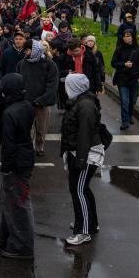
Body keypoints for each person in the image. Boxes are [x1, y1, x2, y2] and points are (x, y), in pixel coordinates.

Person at [0, 73, 36, 260]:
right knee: (9, 200)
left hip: (17, 163)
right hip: (25, 158)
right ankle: (6, 236)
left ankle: (22, 246)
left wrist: (6, 166)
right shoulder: (26, 105)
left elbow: (8, 145)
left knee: (17, 203)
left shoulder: (10, 113)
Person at [61, 74, 103, 245]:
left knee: (78, 190)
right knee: (82, 189)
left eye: (67, 85)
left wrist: (80, 160)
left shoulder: (85, 105)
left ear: (75, 87)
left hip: (85, 155)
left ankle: (84, 231)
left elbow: (84, 135)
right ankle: (90, 223)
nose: (64, 88)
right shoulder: (80, 101)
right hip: (81, 153)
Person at [17, 40, 59, 156]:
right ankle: (28, 148)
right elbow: (18, 81)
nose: (26, 53)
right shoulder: (22, 64)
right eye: (25, 50)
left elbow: (52, 85)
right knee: (27, 129)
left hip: (42, 103)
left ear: (35, 49)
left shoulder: (49, 64)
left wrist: (42, 99)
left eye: (28, 50)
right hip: (26, 102)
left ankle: (39, 146)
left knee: (41, 128)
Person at [111, 29, 139, 130]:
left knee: (132, 101)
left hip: (135, 79)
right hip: (122, 79)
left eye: (128, 36)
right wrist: (124, 64)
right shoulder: (119, 49)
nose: (126, 38)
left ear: (133, 37)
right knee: (124, 101)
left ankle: (129, 115)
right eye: (125, 36)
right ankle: (125, 121)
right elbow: (113, 63)